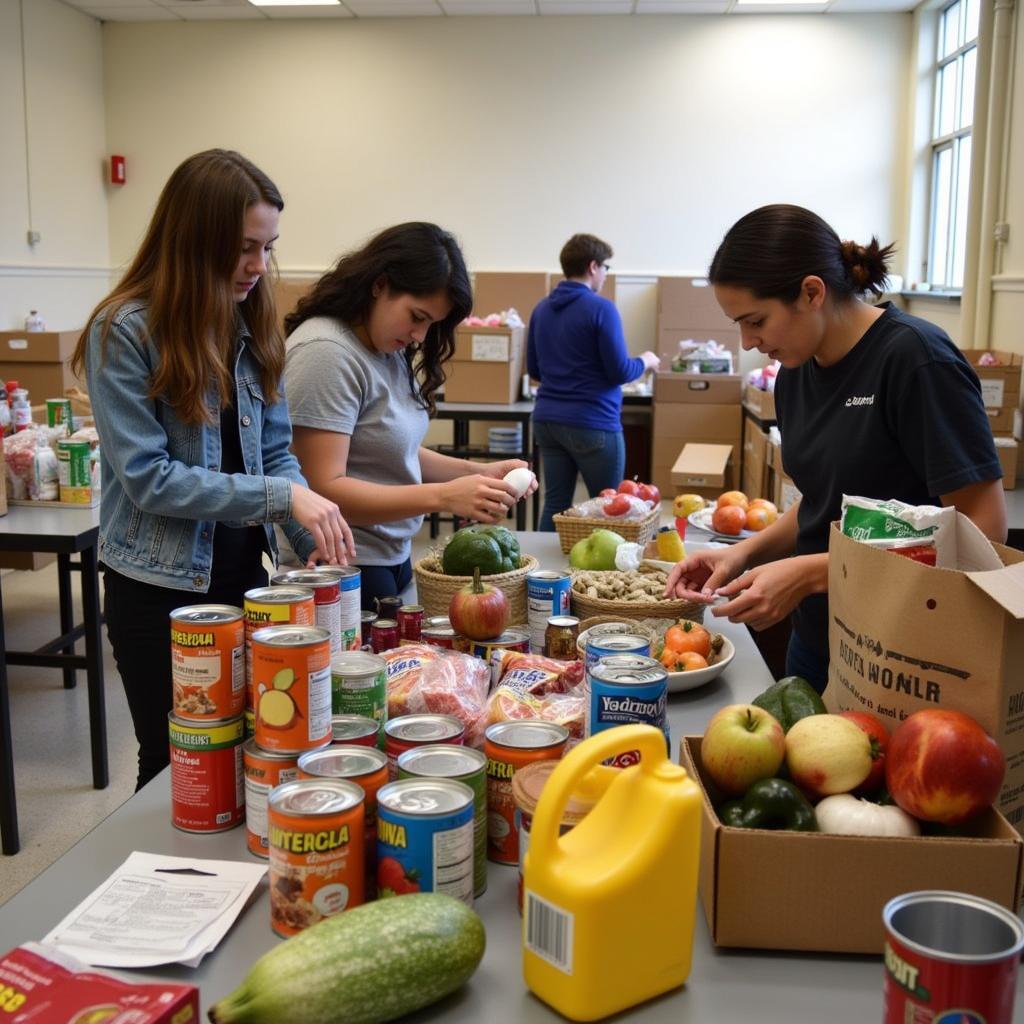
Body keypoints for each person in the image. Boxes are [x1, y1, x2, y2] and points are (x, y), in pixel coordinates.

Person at [72, 149, 354, 790]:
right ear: (194, 240)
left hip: (240, 584)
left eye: (268, 247)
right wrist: (285, 499)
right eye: (244, 247)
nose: (259, 266)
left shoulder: (249, 323)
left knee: (249, 750)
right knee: (179, 761)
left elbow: (278, 450)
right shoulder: (124, 331)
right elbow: (150, 479)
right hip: (158, 592)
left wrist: (315, 543)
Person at [664, 204, 1006, 693]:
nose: (748, 341)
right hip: (821, 638)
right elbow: (827, 498)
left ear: (811, 292)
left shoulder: (915, 361)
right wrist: (744, 554)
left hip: (910, 655)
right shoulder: (796, 373)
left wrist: (813, 572)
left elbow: (983, 533)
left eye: (755, 320)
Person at [283, 222, 536, 611]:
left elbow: (392, 452)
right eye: (416, 316)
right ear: (379, 285)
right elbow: (323, 488)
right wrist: (444, 497)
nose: (420, 335)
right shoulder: (326, 353)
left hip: (388, 557)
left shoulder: (386, 348)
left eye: (431, 324)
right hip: (343, 566)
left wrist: (476, 473)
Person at [527, 233, 660, 531]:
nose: (605, 275)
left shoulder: (542, 308)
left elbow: (534, 370)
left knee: (556, 503)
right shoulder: (601, 308)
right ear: (592, 266)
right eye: (606, 268)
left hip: (547, 420)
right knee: (610, 506)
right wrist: (646, 361)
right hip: (593, 422)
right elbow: (620, 371)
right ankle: (603, 577)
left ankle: (545, 575)